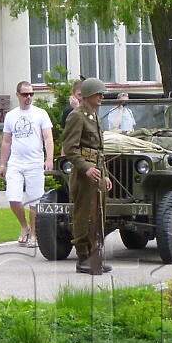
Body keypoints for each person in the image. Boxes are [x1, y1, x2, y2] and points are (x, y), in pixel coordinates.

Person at [58, 77, 111, 274]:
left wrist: (105, 175)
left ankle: (94, 256)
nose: (101, 97)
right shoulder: (77, 116)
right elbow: (71, 149)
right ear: (88, 95)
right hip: (84, 174)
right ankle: (83, 257)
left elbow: (99, 150)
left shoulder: (94, 116)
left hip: (97, 172)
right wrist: (86, 168)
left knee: (98, 213)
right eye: (98, 94)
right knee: (84, 214)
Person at [0, 81, 54, 247]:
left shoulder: (40, 114)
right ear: (18, 95)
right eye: (25, 94)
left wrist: (49, 158)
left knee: (34, 201)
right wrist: (2, 164)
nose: (28, 97)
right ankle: (24, 226)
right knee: (13, 198)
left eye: (31, 94)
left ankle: (34, 234)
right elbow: (6, 141)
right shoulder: (11, 116)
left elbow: (48, 138)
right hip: (16, 162)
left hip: (35, 162)